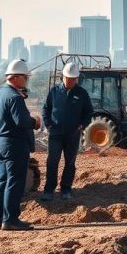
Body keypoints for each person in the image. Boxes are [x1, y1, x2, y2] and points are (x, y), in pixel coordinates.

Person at [0, 59, 40, 230]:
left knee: (2, 180)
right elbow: (22, 121)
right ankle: (10, 220)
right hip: (14, 143)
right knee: (15, 181)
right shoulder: (14, 97)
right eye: (25, 78)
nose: (26, 81)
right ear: (16, 78)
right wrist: (35, 122)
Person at [40, 62, 93, 201]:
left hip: (72, 135)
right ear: (62, 76)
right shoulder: (54, 91)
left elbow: (89, 112)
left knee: (70, 162)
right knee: (52, 161)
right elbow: (46, 109)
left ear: (77, 79)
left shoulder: (82, 93)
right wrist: (49, 125)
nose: (70, 81)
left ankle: (66, 189)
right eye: (68, 78)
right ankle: (48, 190)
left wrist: (82, 125)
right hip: (55, 134)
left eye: (73, 79)